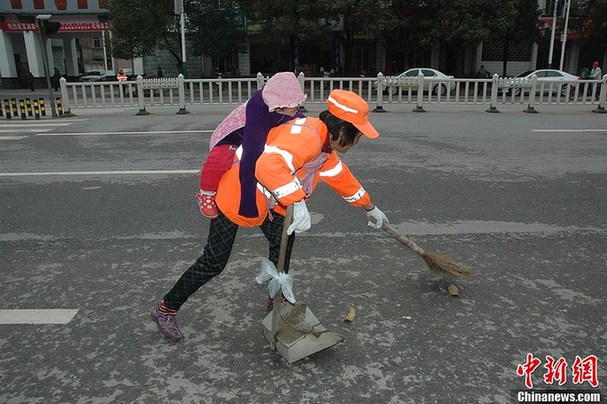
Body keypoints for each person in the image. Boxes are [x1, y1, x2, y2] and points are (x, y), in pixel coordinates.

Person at [151, 89, 390, 342]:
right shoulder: (308, 139)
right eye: (357, 136)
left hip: (265, 199)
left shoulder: (322, 144)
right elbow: (267, 165)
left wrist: (368, 206)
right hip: (237, 194)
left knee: (284, 237)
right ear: (343, 130)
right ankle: (165, 309)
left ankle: (277, 295)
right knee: (213, 262)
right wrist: (295, 201)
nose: (356, 144)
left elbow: (339, 177)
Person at [195, 72, 307, 219]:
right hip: (231, 138)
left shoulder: (287, 107)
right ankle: (207, 192)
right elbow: (250, 157)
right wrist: (248, 205)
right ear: (279, 104)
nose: (297, 108)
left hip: (258, 134)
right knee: (220, 159)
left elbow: (302, 123)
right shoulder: (258, 108)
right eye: (293, 106)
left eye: (297, 104)